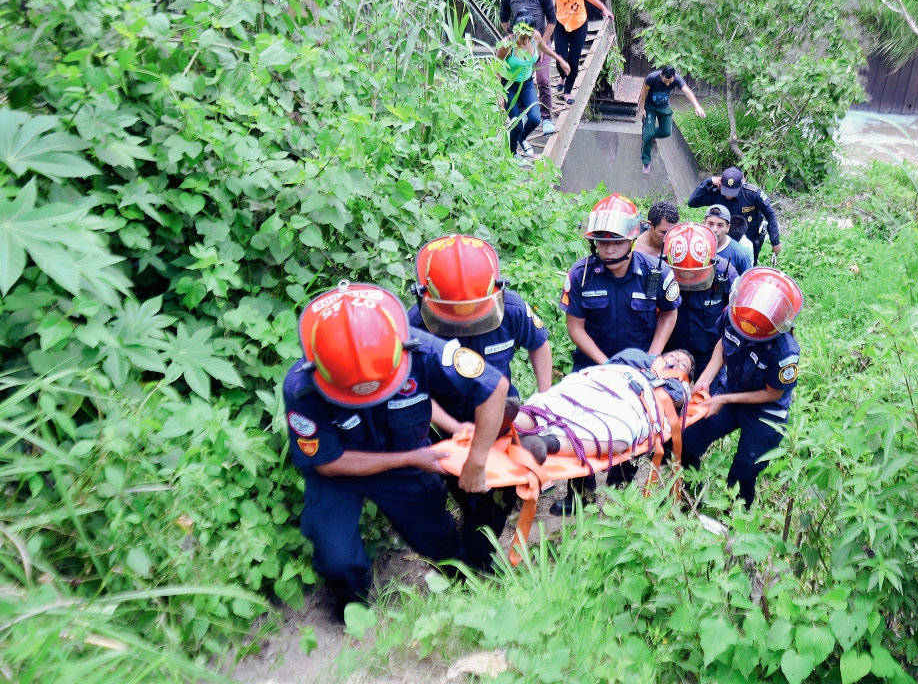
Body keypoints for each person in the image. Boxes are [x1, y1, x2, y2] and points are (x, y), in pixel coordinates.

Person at [283, 282, 508, 618]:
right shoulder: (301, 388)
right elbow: (329, 464)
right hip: (341, 472)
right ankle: (352, 611)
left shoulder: (421, 348)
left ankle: (463, 589)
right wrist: (410, 458)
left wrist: (476, 461)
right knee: (336, 556)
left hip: (406, 464)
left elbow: (494, 388)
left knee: (438, 539)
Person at [407, 235, 552, 571]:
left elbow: (539, 344)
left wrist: (544, 395)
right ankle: (470, 526)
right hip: (445, 418)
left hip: (501, 413)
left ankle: (480, 554)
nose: (467, 323)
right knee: (462, 486)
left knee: (497, 486)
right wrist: (455, 427)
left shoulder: (512, 309)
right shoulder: (413, 327)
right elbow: (414, 393)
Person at [554, 193, 683, 513]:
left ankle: (619, 487)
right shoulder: (581, 275)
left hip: (639, 367)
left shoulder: (656, 274)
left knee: (636, 430)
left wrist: (651, 359)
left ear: (632, 238)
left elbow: (669, 314)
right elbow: (576, 328)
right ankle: (579, 496)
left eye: (615, 242)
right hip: (591, 365)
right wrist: (606, 365)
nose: (608, 249)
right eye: (600, 242)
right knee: (575, 426)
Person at [682, 268, 804, 507]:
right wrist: (706, 379)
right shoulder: (735, 314)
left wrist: (724, 400)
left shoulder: (785, 352)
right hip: (731, 391)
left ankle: (734, 524)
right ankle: (689, 499)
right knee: (689, 440)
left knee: (743, 472)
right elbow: (723, 342)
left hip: (766, 411)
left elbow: (773, 393)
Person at [513, 348, 694, 459]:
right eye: (674, 356)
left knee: (618, 438)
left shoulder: (679, 387)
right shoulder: (638, 357)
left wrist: (678, 377)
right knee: (562, 399)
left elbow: (679, 402)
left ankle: (547, 443)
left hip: (634, 402)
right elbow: (611, 364)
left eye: (683, 364)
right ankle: (514, 419)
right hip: (608, 378)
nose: (677, 361)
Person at [660, 222, 739, 373]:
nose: (688, 279)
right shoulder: (662, 269)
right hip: (672, 350)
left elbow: (737, 311)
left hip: (710, 351)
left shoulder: (725, 272)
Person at [495, 20, 570, 159]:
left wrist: (560, 60)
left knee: (535, 119)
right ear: (516, 31)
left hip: (527, 83)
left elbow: (544, 48)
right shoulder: (507, 44)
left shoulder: (534, 36)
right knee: (516, 124)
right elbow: (497, 69)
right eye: (523, 38)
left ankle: (521, 138)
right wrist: (500, 94)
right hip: (509, 85)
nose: (526, 42)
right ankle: (513, 155)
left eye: (529, 38)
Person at [500, 0, 559, 137]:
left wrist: (542, 45)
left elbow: (552, 21)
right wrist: (513, 39)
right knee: (518, 78)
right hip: (518, 42)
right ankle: (521, 116)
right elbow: (504, 19)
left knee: (542, 78)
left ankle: (546, 117)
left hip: (539, 41)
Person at [547, 0, 611, 106]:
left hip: (580, 25)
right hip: (562, 25)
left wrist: (604, 9)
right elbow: (550, 8)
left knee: (574, 61)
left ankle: (567, 92)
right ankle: (562, 77)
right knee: (561, 59)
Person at [687, 167, 781, 263]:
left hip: (749, 240)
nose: (728, 195)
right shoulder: (716, 194)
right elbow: (692, 202)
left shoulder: (752, 194)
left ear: (741, 184)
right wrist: (708, 181)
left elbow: (770, 215)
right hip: (722, 241)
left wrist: (775, 241)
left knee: (748, 268)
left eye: (732, 192)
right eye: (726, 191)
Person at [635, 66, 706, 175]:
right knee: (648, 135)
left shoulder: (677, 79)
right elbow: (643, 92)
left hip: (664, 108)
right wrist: (642, 109)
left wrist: (697, 106)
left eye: (670, 81)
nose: (667, 84)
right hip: (650, 108)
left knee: (666, 132)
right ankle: (646, 161)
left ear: (673, 77)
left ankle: (650, 135)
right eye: (665, 81)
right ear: (661, 75)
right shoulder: (652, 78)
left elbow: (687, 92)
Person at [703, 205, 752, 275]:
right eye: (710, 224)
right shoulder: (694, 248)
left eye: (720, 225)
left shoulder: (739, 254)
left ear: (728, 227)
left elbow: (748, 281)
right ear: (703, 224)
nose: (714, 230)